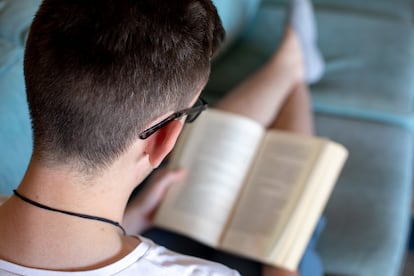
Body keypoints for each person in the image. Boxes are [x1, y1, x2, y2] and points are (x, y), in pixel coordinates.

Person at [0, 0, 324, 276]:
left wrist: (134, 217)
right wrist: (284, 263)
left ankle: (292, 65)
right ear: (165, 139)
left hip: (130, 225)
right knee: (291, 238)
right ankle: (294, 68)